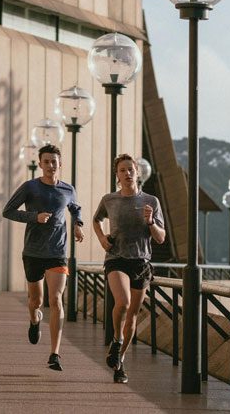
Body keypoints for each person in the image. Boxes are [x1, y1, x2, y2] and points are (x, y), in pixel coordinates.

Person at [3, 144, 85, 371]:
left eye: (54, 161)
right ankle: (34, 319)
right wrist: (34, 217)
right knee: (36, 301)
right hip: (33, 252)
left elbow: (75, 208)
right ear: (40, 164)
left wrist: (78, 225)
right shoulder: (30, 187)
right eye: (46, 161)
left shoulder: (68, 189)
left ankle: (55, 354)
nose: (50, 165)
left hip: (58, 253)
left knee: (56, 300)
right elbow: (8, 211)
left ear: (61, 164)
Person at [93, 153, 165, 384]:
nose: (127, 173)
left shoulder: (151, 202)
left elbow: (161, 238)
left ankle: (120, 361)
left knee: (132, 316)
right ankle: (116, 340)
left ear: (137, 173)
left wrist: (151, 222)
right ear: (117, 175)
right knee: (122, 303)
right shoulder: (109, 200)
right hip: (116, 259)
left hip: (141, 262)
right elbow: (96, 220)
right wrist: (102, 240)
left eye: (130, 169)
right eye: (122, 170)